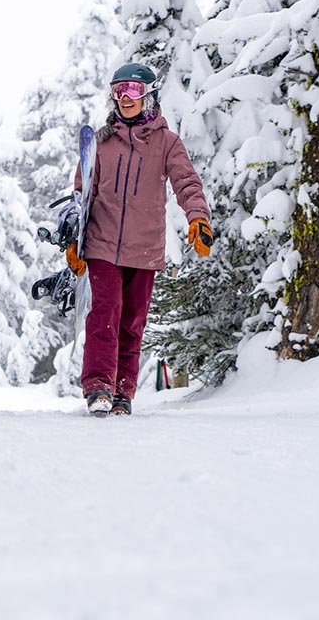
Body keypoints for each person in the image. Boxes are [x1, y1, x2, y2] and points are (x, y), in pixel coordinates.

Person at [68, 62, 213, 416]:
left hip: (144, 247)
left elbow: (186, 182)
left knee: (132, 320)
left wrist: (198, 217)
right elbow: (80, 193)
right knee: (104, 312)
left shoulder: (167, 143)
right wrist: (74, 237)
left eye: (132, 90)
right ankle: (99, 385)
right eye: (118, 91)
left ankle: (123, 391)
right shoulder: (102, 142)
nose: (125, 98)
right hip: (101, 243)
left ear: (148, 94)